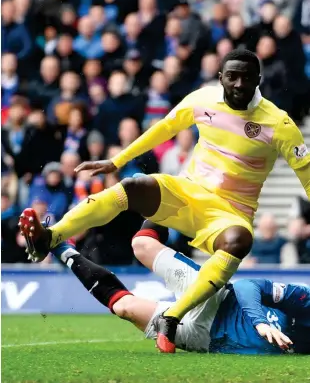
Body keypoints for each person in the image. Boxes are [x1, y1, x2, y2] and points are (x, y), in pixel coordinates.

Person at [19, 49, 310, 354]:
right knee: (133, 187)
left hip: (228, 213)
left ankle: (172, 317)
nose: (238, 83)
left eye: (246, 77)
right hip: (187, 193)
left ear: (258, 80)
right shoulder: (202, 99)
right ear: (221, 77)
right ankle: (50, 237)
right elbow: (165, 128)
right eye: (232, 76)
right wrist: (118, 161)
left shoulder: (279, 124)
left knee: (239, 239)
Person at [43, 235, 309, 355]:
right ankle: (163, 193)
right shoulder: (305, 300)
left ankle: (62, 250)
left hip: (206, 341)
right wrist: (259, 321)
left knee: (125, 308)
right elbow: (246, 286)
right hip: (213, 300)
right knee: (142, 245)